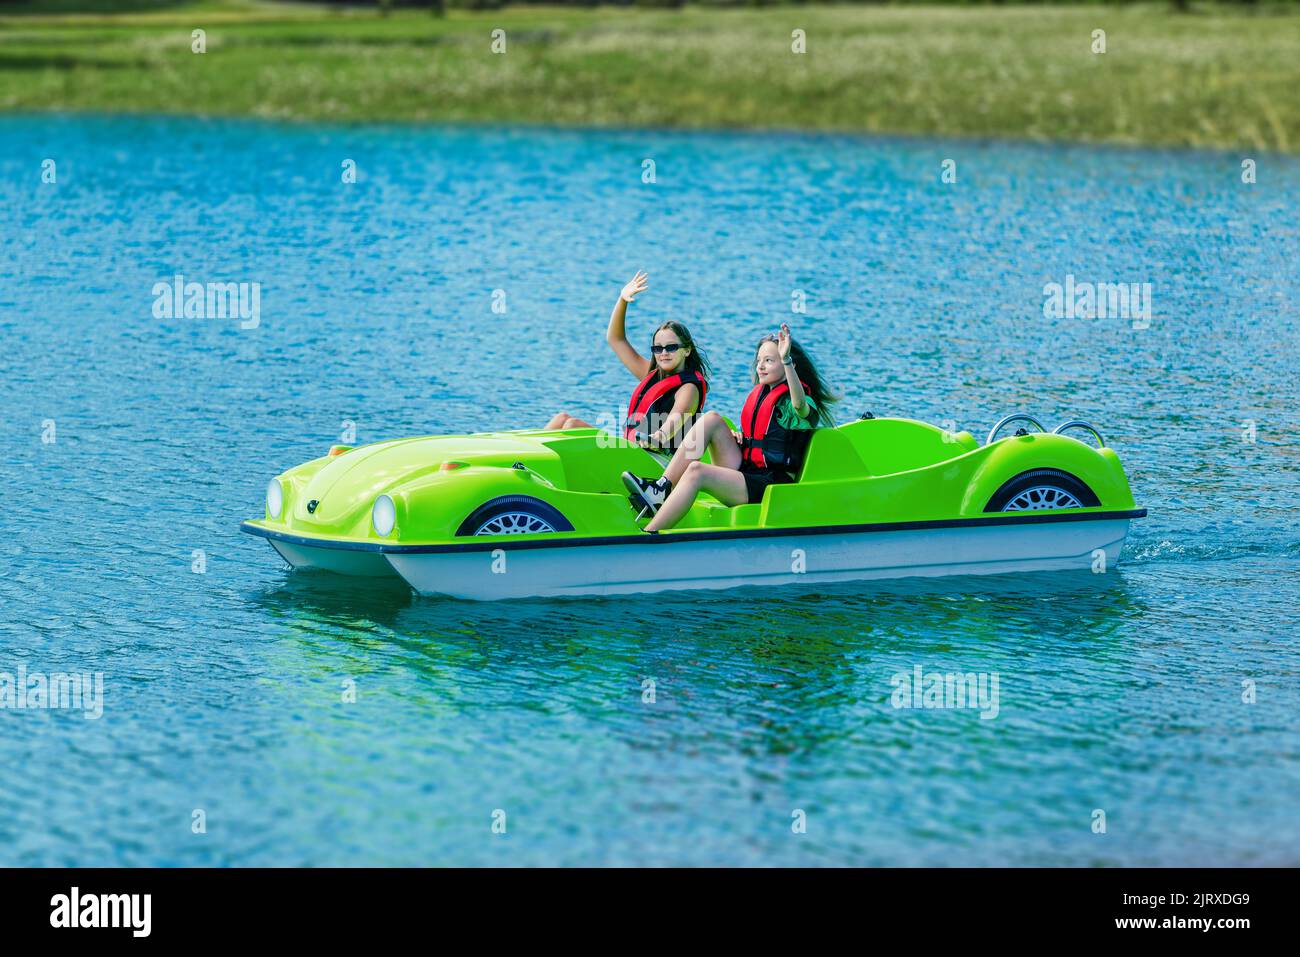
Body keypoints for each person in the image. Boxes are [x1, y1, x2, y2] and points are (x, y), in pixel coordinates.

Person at [621, 324, 837, 532]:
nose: (760, 366)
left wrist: (787, 360)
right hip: (747, 471)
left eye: (770, 360)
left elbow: (799, 406)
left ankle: (649, 533)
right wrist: (739, 437)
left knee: (697, 471)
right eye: (759, 360)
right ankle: (661, 487)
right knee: (712, 419)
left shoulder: (798, 403)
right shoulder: (761, 395)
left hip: (771, 483)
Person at [543, 271, 710, 450]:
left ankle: (533, 467)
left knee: (571, 426)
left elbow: (673, 423)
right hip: (630, 449)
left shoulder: (689, 389)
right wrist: (622, 300)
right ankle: (522, 458)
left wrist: (654, 438)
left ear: (687, 350)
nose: (663, 353)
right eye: (657, 348)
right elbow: (616, 339)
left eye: (671, 347)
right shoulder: (652, 375)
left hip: (655, 458)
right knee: (562, 419)